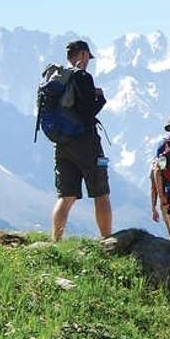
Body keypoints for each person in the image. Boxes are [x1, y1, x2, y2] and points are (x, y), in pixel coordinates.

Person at [50, 40, 112, 239]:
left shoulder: (55, 78)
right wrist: (100, 99)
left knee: (66, 195)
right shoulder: (82, 77)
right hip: (85, 142)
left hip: (61, 143)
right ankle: (107, 241)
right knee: (100, 192)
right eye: (88, 57)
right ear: (84, 55)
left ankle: (56, 241)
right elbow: (87, 112)